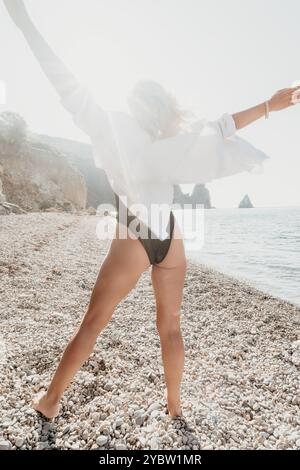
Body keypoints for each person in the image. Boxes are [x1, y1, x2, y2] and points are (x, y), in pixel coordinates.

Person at [4, 0, 299, 419]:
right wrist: (271, 105)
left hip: (133, 234)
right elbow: (222, 127)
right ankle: (175, 406)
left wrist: (26, 23)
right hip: (171, 237)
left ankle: (50, 402)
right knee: (171, 327)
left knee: (93, 323)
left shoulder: (110, 126)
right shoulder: (172, 144)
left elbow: (60, 77)